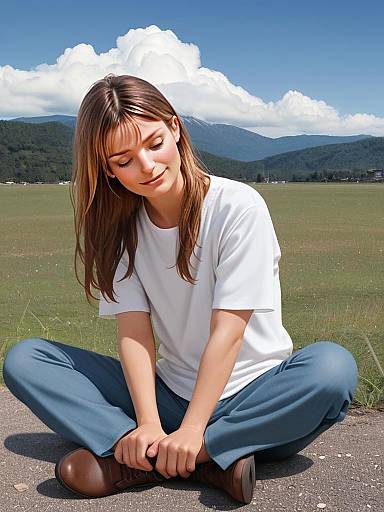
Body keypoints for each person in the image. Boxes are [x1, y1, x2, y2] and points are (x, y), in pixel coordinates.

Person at [3, 74, 359, 505]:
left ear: (174, 128)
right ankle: (176, 452)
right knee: (27, 359)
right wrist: (150, 421)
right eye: (124, 159)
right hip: (169, 395)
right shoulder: (121, 232)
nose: (147, 167)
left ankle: (167, 456)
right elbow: (134, 335)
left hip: (257, 402)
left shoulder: (237, 207)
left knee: (332, 368)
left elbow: (228, 332)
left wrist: (193, 430)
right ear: (107, 169)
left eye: (154, 144)